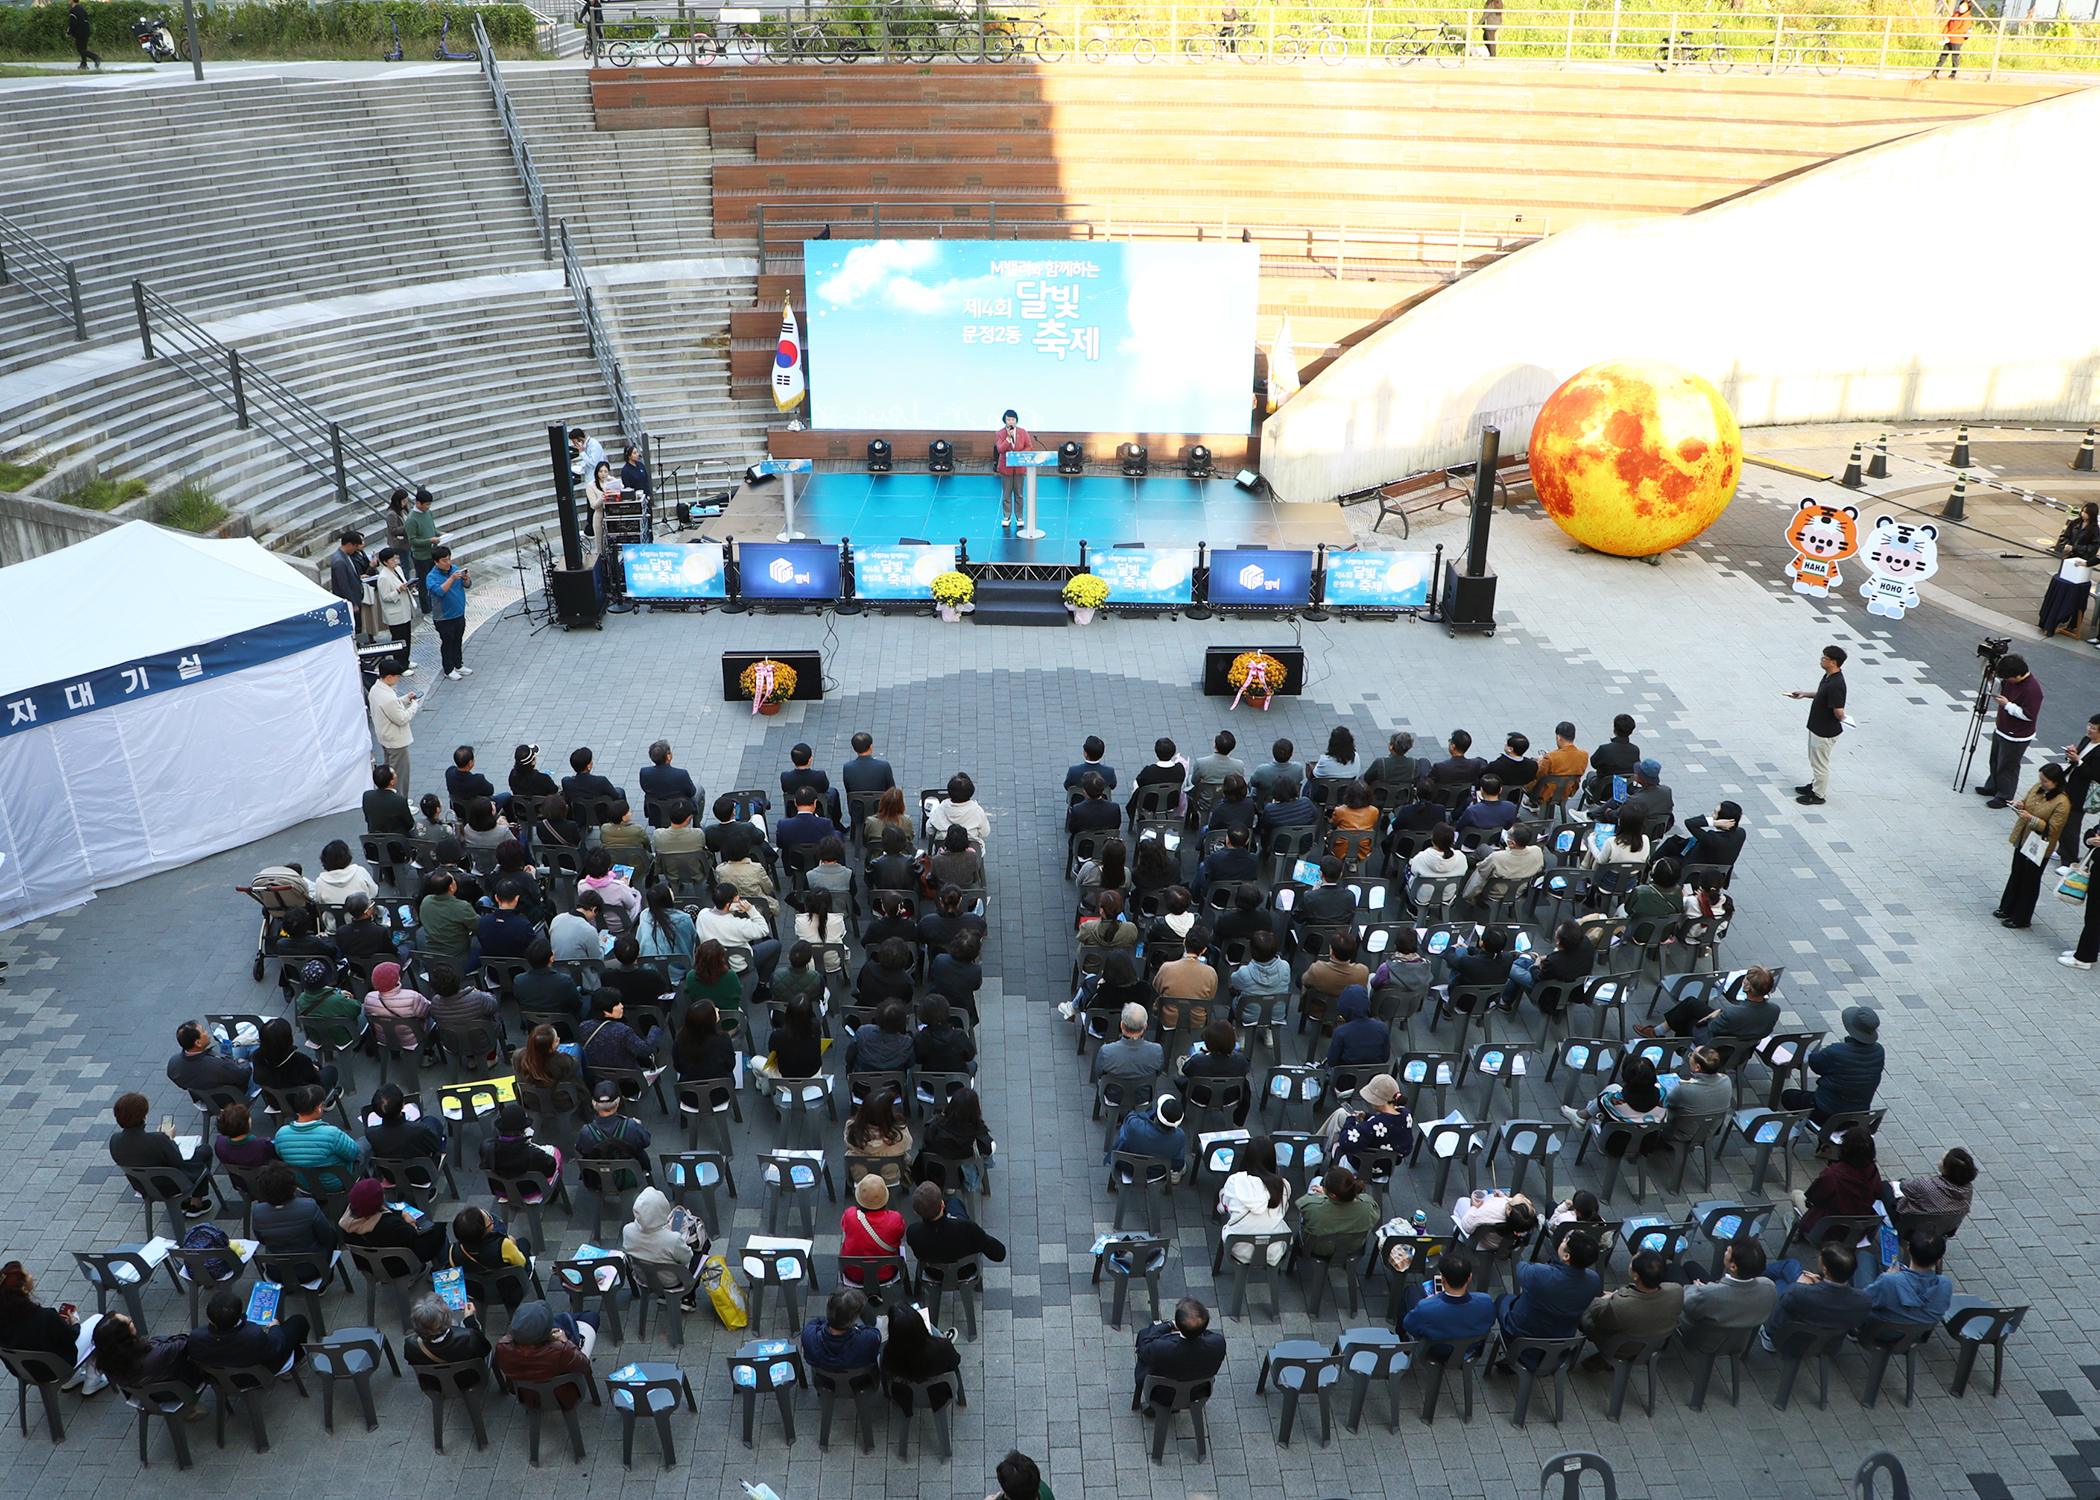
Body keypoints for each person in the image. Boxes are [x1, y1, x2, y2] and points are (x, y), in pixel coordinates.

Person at [0, 1261, 103, 1391]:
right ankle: (93, 1382)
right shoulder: (45, 1316)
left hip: (24, 1370)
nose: (31, 1275)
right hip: (57, 1366)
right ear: (23, 1289)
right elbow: (71, 1337)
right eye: (27, 1274)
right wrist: (75, 1323)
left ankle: (72, 1380)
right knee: (99, 1321)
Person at [1576, 1247, 1681, 1369]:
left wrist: (1606, 1299)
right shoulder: (1677, 1290)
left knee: (1585, 1313)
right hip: (1654, 1344)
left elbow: (1599, 1319)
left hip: (1620, 1347)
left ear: (1636, 1276)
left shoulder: (1621, 1305)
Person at [1995, 761, 2070, 928]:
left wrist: (2032, 819)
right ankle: (2007, 908)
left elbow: (2053, 829)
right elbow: (2027, 800)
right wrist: (2019, 804)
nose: (2041, 783)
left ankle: (2021, 917)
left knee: (2030, 881)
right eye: (2041, 779)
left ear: (2056, 782)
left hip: (2039, 846)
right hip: (2024, 838)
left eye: (2045, 781)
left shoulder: (2062, 802)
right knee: (2017, 873)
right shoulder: (2039, 787)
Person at [1759, 1241, 1872, 1352]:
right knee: (1791, 1265)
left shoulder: (1798, 1292)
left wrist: (1801, 1284)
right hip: (1828, 1345)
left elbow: (1782, 1305)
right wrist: (1818, 1284)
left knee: (1780, 1280)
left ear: (1825, 1270)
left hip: (1786, 1339)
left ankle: (1748, 1273)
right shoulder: (1864, 1300)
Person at [1781, 1006, 1883, 1124]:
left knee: (1788, 1096)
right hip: (1858, 1116)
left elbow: (1815, 1064)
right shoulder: (1879, 1050)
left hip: (1828, 1114)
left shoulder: (1835, 1051)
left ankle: (1820, 1132)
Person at [1497, 1230, 1601, 1345]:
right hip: (1561, 1340)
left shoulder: (1541, 1274)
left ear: (1567, 1256)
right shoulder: (1594, 1280)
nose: (1563, 1242)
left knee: (1502, 1299)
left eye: (1565, 1241)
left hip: (1522, 1336)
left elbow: (1521, 1268)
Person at [493, 1300, 599, 1409]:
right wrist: (565, 1342)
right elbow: (585, 1366)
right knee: (591, 1317)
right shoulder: (561, 1350)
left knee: (555, 1316)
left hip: (527, 1395)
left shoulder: (502, 1347)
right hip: (565, 1396)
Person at [1559, 1054, 1667, 1156]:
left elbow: (1604, 1101)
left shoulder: (1614, 1100)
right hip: (1646, 1143)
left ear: (1625, 1078)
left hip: (1615, 1145)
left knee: (1611, 1090)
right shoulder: (1663, 1094)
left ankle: (1583, 1115)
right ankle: (1586, 1115)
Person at [1645, 962, 1780, 1044]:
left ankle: (1675, 1046)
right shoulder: (1775, 1009)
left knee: (1689, 1018)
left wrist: (1716, 1015)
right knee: (1691, 1003)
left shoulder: (1732, 1013)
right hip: (1742, 1038)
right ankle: (1658, 1032)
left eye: (1745, 979)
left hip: (1715, 1044)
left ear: (1747, 988)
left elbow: (1713, 1027)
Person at [1784, 644, 1852, 807]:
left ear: (1833, 662)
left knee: (1820, 763)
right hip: (1817, 727)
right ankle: (1815, 785)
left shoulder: (1836, 684)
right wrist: (1805, 694)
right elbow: (1822, 695)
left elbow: (1838, 710)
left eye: (1824, 658)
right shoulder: (1828, 677)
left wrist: (1842, 718)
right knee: (1815, 760)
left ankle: (1818, 794)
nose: (1821, 660)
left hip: (1825, 732)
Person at [187, 1288, 310, 1375]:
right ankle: (295, 1363)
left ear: (211, 1321)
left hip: (223, 1380)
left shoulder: (196, 1337)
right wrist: (275, 1327)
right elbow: (276, 1347)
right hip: (259, 1376)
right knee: (299, 1321)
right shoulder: (253, 1335)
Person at [1132, 1297, 1226, 1407]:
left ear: (1178, 1323)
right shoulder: (1218, 1343)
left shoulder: (1160, 1348)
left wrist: (1168, 1325)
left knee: (1145, 1335)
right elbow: (1208, 1334)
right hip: (1199, 1393)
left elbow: (1144, 1346)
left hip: (1162, 1395)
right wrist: (1194, 1327)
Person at [1401, 1251, 1498, 1355]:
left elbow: (1409, 1326)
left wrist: (1430, 1301)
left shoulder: (1425, 1307)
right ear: (1469, 1277)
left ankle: (1402, 1344)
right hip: (1469, 1349)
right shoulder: (1486, 1301)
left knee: (1410, 1291)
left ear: (1443, 1279)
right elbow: (1489, 1323)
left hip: (1434, 1351)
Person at [1979, 654, 2044, 807]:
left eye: (2008, 678)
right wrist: (1990, 679)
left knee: (2008, 767)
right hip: (2002, 728)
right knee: (1995, 760)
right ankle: (1993, 786)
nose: (2006, 681)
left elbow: (2029, 715)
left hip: (2017, 736)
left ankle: (2004, 797)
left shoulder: (2032, 690)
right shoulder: (2012, 679)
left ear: (2018, 675)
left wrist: (2007, 705)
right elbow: (1999, 687)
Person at [1680, 1240, 1778, 1340]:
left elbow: (1687, 1306)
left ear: (1733, 1267)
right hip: (1739, 1336)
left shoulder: (1706, 1294)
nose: (1725, 1252)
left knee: (1673, 1270)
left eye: (1727, 1251)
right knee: (1690, 1265)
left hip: (1704, 1337)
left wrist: (1697, 1290)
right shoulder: (1769, 1286)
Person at [1792, 1132, 1883, 1239]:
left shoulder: (1832, 1175)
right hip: (1856, 1231)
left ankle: (1797, 1230)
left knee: (1796, 1194)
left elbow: (1813, 1199)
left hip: (1826, 1230)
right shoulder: (1873, 1171)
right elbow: (1878, 1193)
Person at [340, 1176, 448, 1264]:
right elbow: (411, 1236)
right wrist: (412, 1225)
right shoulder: (389, 1224)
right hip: (398, 1263)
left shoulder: (345, 1222)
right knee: (438, 1229)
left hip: (368, 1265)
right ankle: (444, 1266)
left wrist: (401, 1213)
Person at [1217, 1137, 1290, 1265]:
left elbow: (1226, 1206)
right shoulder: (1283, 1185)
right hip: (1272, 1251)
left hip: (1238, 1248)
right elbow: (1284, 1210)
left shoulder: (1234, 1181)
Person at [881, 1301, 963, 1413]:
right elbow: (955, 1361)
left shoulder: (888, 1352)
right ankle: (943, 1334)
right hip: (940, 1395)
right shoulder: (942, 1347)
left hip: (904, 1396)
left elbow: (886, 1373)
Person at [907, 1179, 1007, 1267]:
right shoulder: (967, 1228)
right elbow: (999, 1254)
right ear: (942, 1204)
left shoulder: (913, 1232)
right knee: (954, 1202)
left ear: (916, 1212)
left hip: (932, 1273)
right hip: (966, 1271)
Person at [1882, 1147, 1978, 1235]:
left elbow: (1904, 1186)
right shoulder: (1968, 1191)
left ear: (1946, 1170)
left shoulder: (1926, 1184)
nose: (1940, 1160)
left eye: (1942, 1159)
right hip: (1939, 1229)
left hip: (1907, 1225)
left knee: (1884, 1186)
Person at [404, 1293, 491, 1388]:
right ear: (448, 1320)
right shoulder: (468, 1337)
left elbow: (410, 1359)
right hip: (469, 1380)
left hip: (434, 1385)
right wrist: (470, 1321)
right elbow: (485, 1349)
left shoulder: (410, 1344)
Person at [1295, 1165, 1380, 1259]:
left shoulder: (1314, 1207)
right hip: (1352, 1247)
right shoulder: (1367, 1205)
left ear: (1333, 1195)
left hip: (1320, 1248)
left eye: (1323, 1184)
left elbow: (1302, 1205)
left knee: (1316, 1180)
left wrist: (1323, 1197)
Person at [840, 1173, 907, 1284]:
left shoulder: (850, 1215)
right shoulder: (895, 1218)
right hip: (886, 1273)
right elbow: (898, 1238)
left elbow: (845, 1228)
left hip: (853, 1272)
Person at [367, 659, 421, 797]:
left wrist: (406, 699)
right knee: (399, 775)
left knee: (388, 772)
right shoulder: (387, 696)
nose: (397, 680)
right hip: (396, 741)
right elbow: (402, 718)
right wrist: (414, 705)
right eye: (397, 677)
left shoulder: (375, 689)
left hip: (385, 738)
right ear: (389, 677)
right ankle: (401, 801)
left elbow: (392, 707)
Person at [167, 1018, 256, 1099]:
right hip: (234, 1097)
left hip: (207, 1098)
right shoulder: (217, 1066)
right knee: (260, 1064)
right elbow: (244, 1076)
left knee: (238, 1046)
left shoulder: (173, 1063)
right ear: (198, 1043)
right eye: (203, 1031)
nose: (207, 1033)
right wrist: (244, 1063)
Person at [2054, 714, 2100, 869]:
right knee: (2061, 818)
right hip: (2070, 785)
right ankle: (2062, 850)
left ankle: (2069, 861)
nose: (2089, 730)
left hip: (2082, 793)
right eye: (2089, 726)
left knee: (2071, 825)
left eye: (2094, 728)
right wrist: (2072, 755)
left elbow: (2095, 774)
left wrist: (2078, 761)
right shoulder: (2087, 740)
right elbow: (2077, 761)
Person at [252, 1015, 338, 1098]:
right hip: (304, 1102)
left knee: (316, 1064)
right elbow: (316, 1083)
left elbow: (258, 1079)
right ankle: (329, 1100)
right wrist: (314, 1070)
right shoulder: (300, 1060)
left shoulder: (257, 1056)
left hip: (275, 1101)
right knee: (331, 1070)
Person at [800, 1287, 880, 1375]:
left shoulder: (808, 1334)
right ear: (853, 1320)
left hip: (825, 1382)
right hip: (860, 1382)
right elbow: (875, 1332)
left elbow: (817, 1321)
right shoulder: (869, 1339)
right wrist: (857, 1328)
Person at [1335, 1074, 1410, 1166]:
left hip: (1362, 1165)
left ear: (1378, 1101)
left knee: (1339, 1147)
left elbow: (1346, 1143)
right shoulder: (1406, 1115)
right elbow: (1388, 1121)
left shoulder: (1370, 1127)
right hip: (1388, 1165)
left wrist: (1350, 1119)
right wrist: (1366, 1116)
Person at [365, 1082, 446, 1164]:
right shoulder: (419, 1130)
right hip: (423, 1172)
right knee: (430, 1120)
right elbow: (435, 1146)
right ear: (403, 1105)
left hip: (391, 1172)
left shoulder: (371, 1133)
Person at [481, 1101, 562, 1183]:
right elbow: (550, 1169)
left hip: (501, 1190)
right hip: (530, 1192)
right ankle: (556, 1191)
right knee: (555, 1152)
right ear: (524, 1129)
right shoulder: (533, 1153)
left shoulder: (486, 1147)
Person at [1111, 1093, 1188, 1177]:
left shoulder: (1136, 1126)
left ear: (1157, 1113)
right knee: (1178, 1150)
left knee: (1125, 1129)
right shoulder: (1180, 1136)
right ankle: (1176, 1171)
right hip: (1157, 1173)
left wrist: (1151, 1113)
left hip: (1128, 1167)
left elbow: (1131, 1116)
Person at [424, 546, 471, 681]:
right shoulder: (432, 577)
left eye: (449, 559)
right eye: (444, 560)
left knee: (458, 640)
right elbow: (439, 591)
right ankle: (448, 669)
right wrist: (451, 579)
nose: (448, 563)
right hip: (444, 618)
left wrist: (465, 578)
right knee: (447, 642)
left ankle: (458, 664)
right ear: (436, 562)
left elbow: (467, 585)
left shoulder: (455, 569)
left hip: (458, 614)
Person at [1092, 1002, 1164, 1084]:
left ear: (1122, 1025)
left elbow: (1099, 1073)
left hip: (1113, 1095)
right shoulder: (1157, 1050)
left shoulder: (1106, 1051)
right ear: (1145, 1026)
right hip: (1144, 1095)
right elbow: (1158, 1072)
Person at [1325, 985, 1390, 1068]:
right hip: (1373, 1078)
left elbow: (1332, 1062)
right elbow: (1385, 1058)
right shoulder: (1382, 1028)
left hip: (1346, 1079)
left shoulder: (1340, 1032)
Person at [673, 1001, 738, 1084]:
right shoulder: (723, 1039)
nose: (717, 1009)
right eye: (714, 1010)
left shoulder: (680, 1039)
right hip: (721, 1089)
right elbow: (730, 1065)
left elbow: (678, 1067)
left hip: (689, 1090)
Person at [763, 995, 825, 1079]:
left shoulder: (778, 1035)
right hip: (814, 1076)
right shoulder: (815, 1026)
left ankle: (765, 1084)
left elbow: (772, 1052)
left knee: (754, 1061)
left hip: (786, 1079)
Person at [1531, 722, 1591, 808]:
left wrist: (1540, 762)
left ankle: (1530, 803)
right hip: (1567, 790)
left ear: (1559, 738)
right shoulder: (1584, 754)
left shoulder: (1551, 757)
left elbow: (1538, 774)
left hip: (1546, 792)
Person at [993, 408, 1034, 529]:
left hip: (1019, 467)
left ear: (1016, 421)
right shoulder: (1000, 433)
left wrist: (1019, 455)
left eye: (1013, 419)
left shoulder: (1023, 432)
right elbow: (1000, 449)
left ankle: (1019, 517)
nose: (1011, 422)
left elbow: (1029, 447)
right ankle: (1006, 516)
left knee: (1019, 493)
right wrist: (1008, 439)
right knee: (1006, 493)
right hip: (1006, 467)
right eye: (1008, 419)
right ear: (1005, 421)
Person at [1586, 714, 1640, 800]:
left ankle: (1590, 801)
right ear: (1631, 731)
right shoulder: (1635, 750)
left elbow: (1594, 763)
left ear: (1615, 729)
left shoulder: (1604, 749)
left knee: (1589, 777)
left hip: (1603, 791)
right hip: (1625, 790)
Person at [929, 773, 992, 846]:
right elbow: (985, 833)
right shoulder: (978, 811)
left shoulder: (940, 809)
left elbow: (930, 830)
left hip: (944, 846)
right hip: (971, 847)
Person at [405, 489, 442, 614]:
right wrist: (429, 540)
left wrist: (440, 535)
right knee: (423, 584)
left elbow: (432, 529)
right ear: (418, 503)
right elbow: (413, 540)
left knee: (435, 580)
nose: (428, 507)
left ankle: (435, 604)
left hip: (432, 553)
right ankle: (426, 609)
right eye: (426, 505)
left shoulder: (428, 513)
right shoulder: (412, 519)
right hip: (421, 556)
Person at [215, 1101, 277, 1172]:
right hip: (264, 1179)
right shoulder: (262, 1145)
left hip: (239, 1181)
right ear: (245, 1124)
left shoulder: (219, 1144)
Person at [363, 764, 416, 839]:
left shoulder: (367, 796)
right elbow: (409, 824)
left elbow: (367, 819)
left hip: (375, 839)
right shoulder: (399, 801)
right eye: (394, 773)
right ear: (391, 782)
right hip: (397, 841)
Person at [1251, 737, 1302, 806]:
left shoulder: (1262, 770)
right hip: (1290, 802)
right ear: (1291, 754)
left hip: (1265, 804)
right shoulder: (1298, 768)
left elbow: (1253, 783)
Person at [1930, 0, 1973, 76]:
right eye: (1961, 5)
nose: (1961, 7)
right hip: (1948, 39)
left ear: (1968, 8)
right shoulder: (1955, 14)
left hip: (1957, 40)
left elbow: (1962, 30)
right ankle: (1935, 72)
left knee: (1955, 58)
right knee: (1943, 56)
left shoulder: (1968, 18)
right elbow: (1948, 24)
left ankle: (1953, 74)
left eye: (1964, 6)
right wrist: (1944, 34)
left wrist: (1949, 34)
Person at [65, 0, 100, 69]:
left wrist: (69, 32)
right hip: (86, 31)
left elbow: (72, 23)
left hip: (79, 32)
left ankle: (95, 57)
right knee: (83, 48)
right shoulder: (82, 9)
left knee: (80, 49)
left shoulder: (73, 11)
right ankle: (84, 64)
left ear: (72, 1)